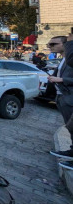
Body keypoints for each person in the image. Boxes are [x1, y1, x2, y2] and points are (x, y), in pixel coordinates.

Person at [48, 36, 73, 169]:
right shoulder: (63, 60)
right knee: (70, 128)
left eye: (53, 44)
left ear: (65, 44)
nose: (50, 46)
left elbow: (66, 79)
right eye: (49, 44)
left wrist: (62, 80)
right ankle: (71, 151)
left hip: (70, 98)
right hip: (62, 98)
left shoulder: (70, 60)